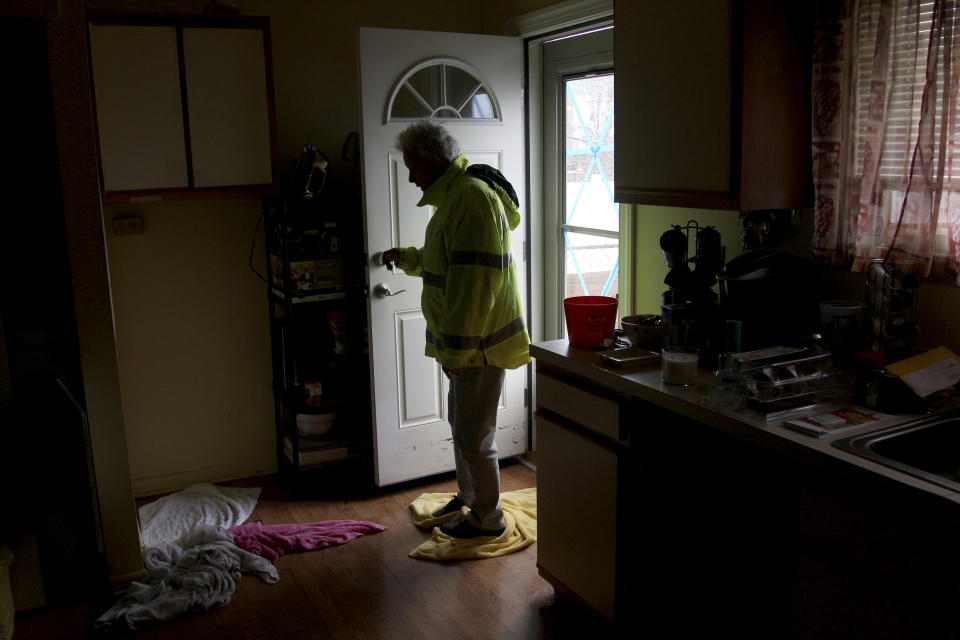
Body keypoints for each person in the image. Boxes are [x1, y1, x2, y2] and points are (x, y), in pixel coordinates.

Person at [382, 120, 530, 539]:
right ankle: (470, 500)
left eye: (414, 166)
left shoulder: (471, 199)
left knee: (474, 434)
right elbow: (450, 257)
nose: (410, 176)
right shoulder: (456, 197)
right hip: (470, 346)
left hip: (478, 347)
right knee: (463, 426)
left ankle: (488, 520)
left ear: (435, 161)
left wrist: (457, 354)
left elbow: (474, 286)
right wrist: (411, 257)